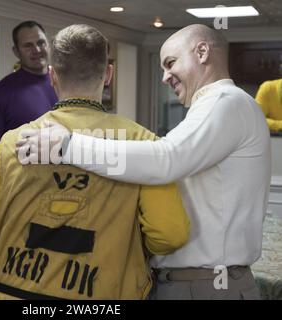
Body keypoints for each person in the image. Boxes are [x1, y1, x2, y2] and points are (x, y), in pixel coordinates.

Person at [18, 24, 271, 300]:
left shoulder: (226, 102)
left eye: (171, 63)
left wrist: (67, 146)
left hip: (205, 286)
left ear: (202, 52)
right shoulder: (217, 107)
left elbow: (166, 160)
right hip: (195, 282)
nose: (164, 77)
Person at [0, 24, 190, 300]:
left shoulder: (11, 144)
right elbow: (170, 234)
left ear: (52, 76)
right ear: (108, 74)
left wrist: (8, 275)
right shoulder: (143, 144)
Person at [0, 20, 57, 166]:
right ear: (16, 51)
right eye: (28, 45)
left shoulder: (66, 84)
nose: (37, 49)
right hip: (25, 184)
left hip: (69, 181)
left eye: (41, 42)